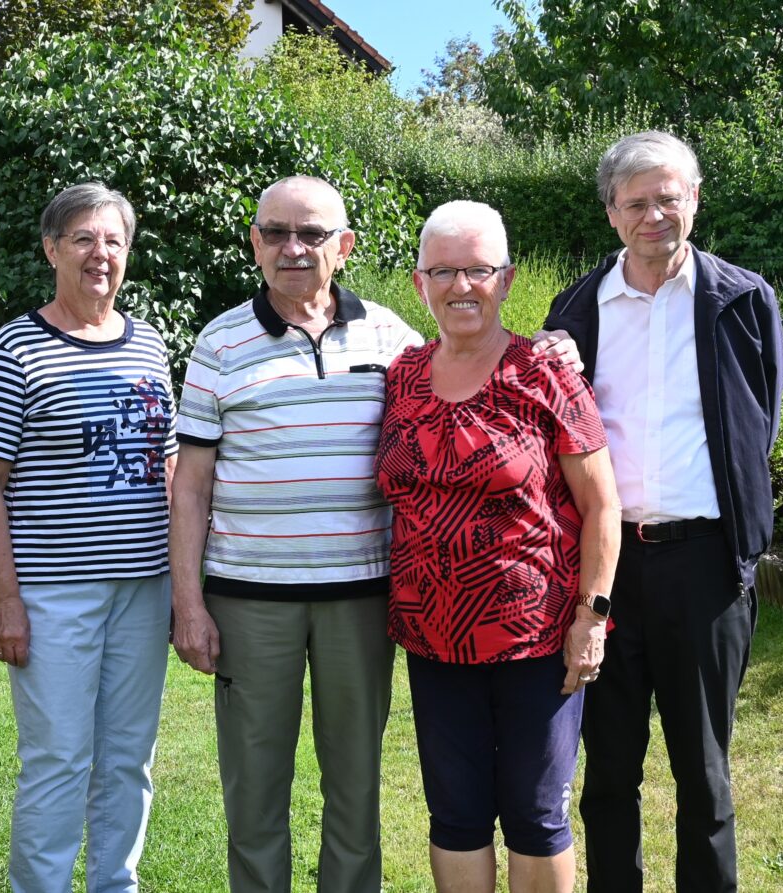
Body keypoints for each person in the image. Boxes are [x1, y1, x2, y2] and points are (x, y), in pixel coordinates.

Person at [169, 177, 582, 893]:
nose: (293, 248)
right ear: (255, 243)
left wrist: (553, 348)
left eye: (312, 233)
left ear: (345, 246)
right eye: (275, 232)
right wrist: (188, 603)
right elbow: (191, 484)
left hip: (361, 598)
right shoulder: (219, 341)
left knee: (355, 788)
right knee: (254, 787)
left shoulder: (391, 338)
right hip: (250, 598)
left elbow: (466, 361)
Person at [544, 131, 783, 892]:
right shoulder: (575, 309)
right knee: (609, 771)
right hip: (606, 568)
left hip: (705, 567)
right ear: (612, 213)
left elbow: (759, 419)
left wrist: (743, 536)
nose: (654, 215)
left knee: (704, 773)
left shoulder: (743, 299)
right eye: (636, 202)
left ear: (695, 200)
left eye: (668, 198)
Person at [376, 200, 621, 893]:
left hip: (537, 641)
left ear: (506, 280)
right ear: (420, 282)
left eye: (478, 270)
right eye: (443, 271)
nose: (461, 286)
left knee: (537, 816)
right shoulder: (401, 377)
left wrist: (591, 618)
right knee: (455, 815)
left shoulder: (546, 374)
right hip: (432, 637)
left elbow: (602, 504)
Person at [0, 182, 177, 893]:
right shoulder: (15, 348)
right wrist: (5, 601)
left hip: (144, 589)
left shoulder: (149, 343)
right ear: (51, 248)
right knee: (58, 760)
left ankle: (115, 885)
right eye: (84, 238)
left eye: (114, 240)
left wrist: (182, 586)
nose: (100, 253)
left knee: (128, 759)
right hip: (55, 594)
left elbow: (168, 464)